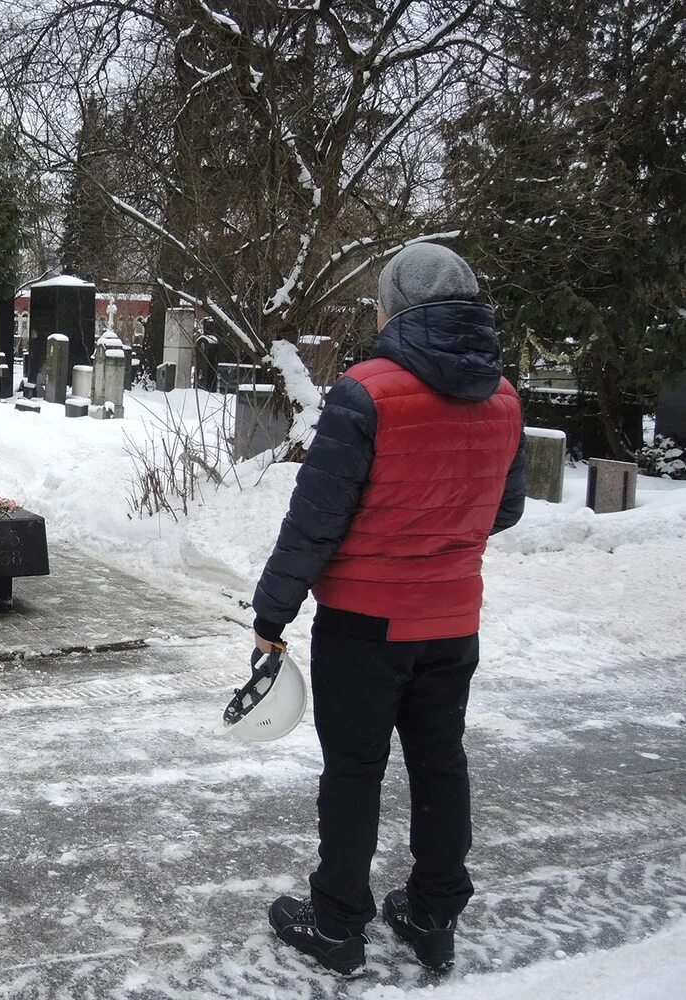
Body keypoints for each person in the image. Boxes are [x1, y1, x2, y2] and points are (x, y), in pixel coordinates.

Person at [253, 243, 526, 975]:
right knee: (440, 763)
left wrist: (270, 613)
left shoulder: (364, 392)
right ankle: (432, 914)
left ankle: (339, 923)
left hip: (364, 625)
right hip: (452, 621)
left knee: (354, 770)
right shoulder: (502, 395)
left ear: (397, 306)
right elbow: (504, 509)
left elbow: (316, 522)